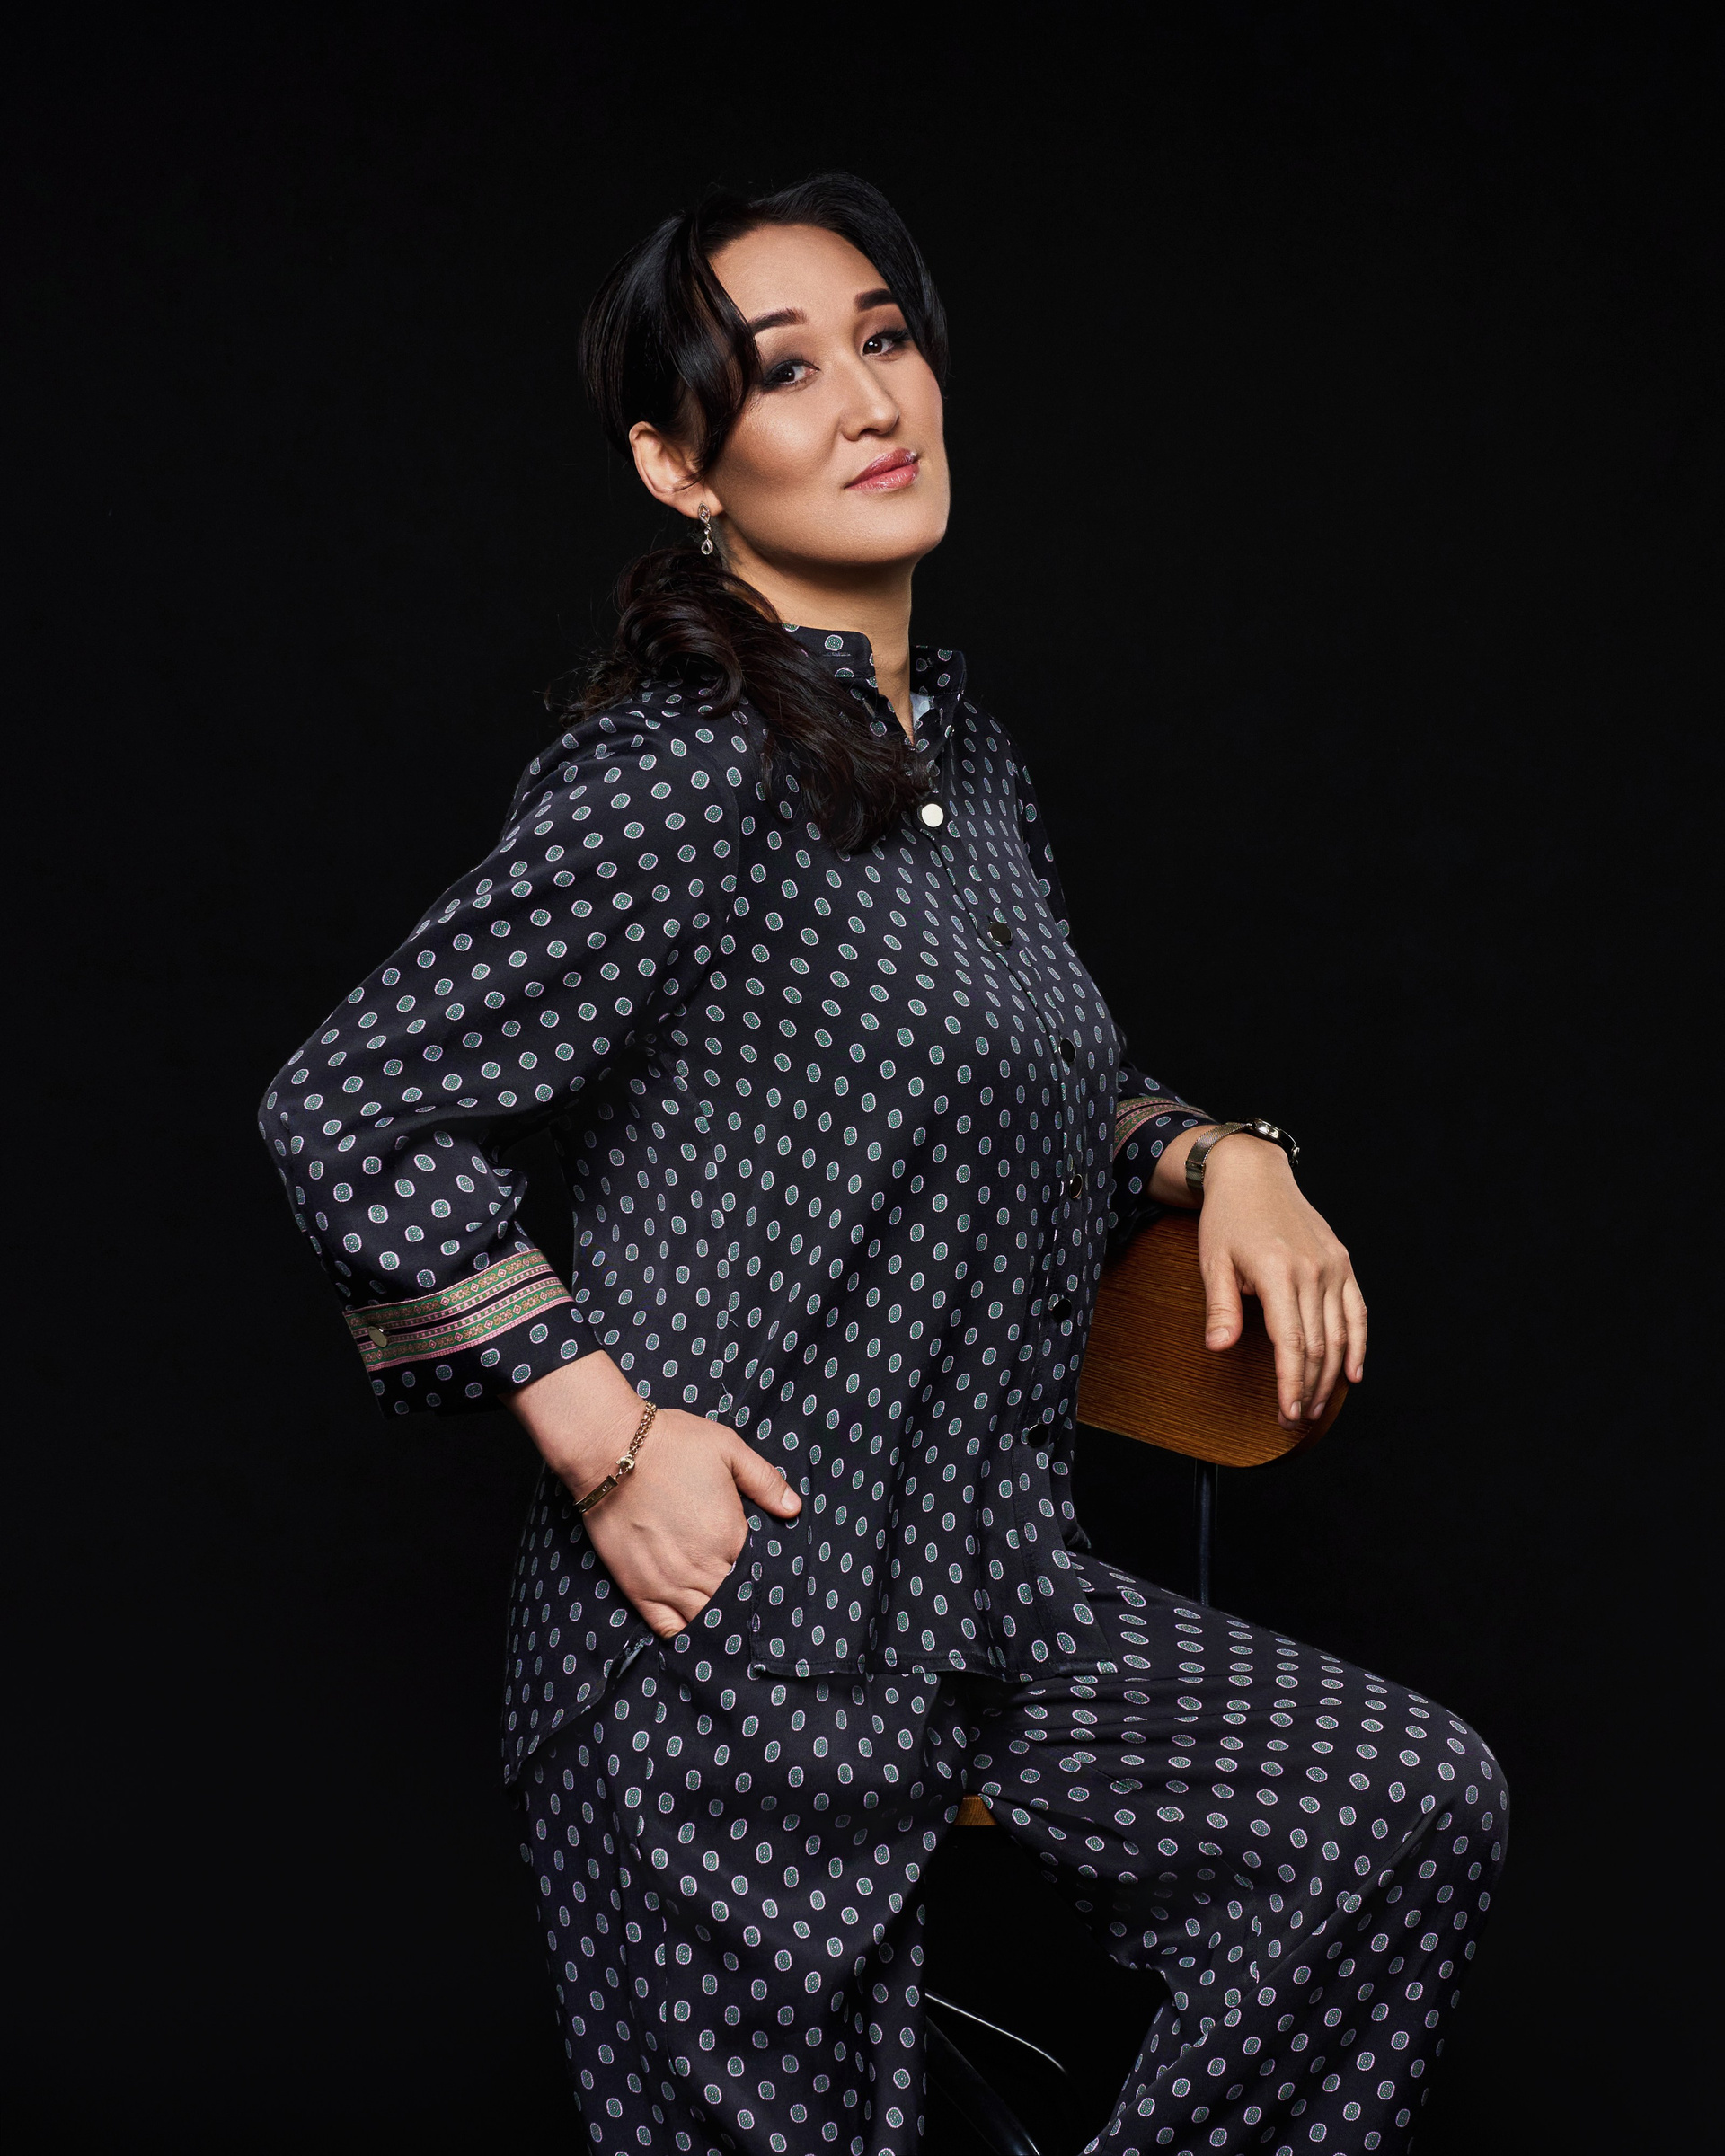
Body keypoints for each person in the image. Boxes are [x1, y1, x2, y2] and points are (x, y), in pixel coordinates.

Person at [260, 172, 1504, 2156]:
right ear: (681, 467)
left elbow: (1035, 1084)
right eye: (782, 372)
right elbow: (349, 1105)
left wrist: (1223, 1158)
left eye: (885, 337)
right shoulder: (684, 768)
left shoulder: (964, 767)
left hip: (988, 1602)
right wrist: (602, 1437)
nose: (866, 399)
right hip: (730, 1641)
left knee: (1394, 1814)